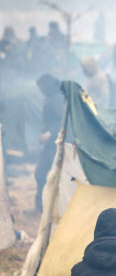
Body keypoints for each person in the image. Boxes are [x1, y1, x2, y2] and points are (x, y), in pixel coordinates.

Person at [35, 74, 64, 211]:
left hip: (56, 143)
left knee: (43, 173)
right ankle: (41, 205)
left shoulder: (57, 99)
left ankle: (45, 207)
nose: (40, 91)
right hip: (53, 142)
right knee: (41, 173)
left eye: (41, 88)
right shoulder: (53, 97)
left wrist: (49, 133)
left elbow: (61, 120)